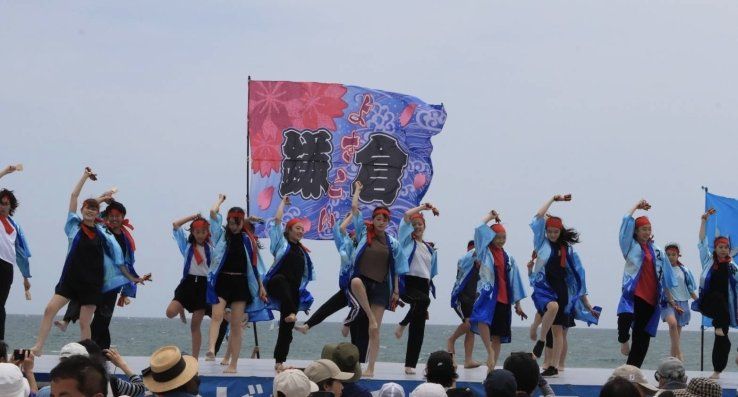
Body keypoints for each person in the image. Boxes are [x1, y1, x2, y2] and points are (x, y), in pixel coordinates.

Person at [31, 168, 124, 356]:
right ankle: (39, 347)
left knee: (84, 323)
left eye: (93, 209)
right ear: (81, 211)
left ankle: (87, 356)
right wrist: (85, 177)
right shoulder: (73, 226)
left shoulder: (102, 232)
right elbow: (74, 196)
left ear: (98, 214)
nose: (89, 210)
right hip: (71, 280)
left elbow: (117, 255)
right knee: (50, 309)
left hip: (92, 284)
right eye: (86, 208)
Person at [55, 200, 146, 350]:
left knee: (103, 319)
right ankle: (74, 329)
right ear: (106, 216)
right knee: (79, 299)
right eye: (111, 215)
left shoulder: (125, 240)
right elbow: (90, 213)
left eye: (118, 216)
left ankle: (96, 350)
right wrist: (105, 199)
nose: (114, 219)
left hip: (112, 285)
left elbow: (128, 263)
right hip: (95, 279)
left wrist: (128, 289)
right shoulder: (101, 229)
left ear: (123, 217)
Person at [529, 195, 598, 377]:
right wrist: (552, 198)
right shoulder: (541, 242)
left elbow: (577, 276)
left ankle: (553, 366)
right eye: (549, 231)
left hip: (561, 289)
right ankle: (541, 339)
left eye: (555, 232)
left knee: (558, 329)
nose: (552, 234)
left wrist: (587, 304)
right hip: (544, 287)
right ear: (546, 231)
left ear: (560, 232)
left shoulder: (566, 250)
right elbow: (537, 216)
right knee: (549, 308)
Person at [345, 181, 407, 377]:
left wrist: (396, 290)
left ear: (388, 222)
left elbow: (397, 268)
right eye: (378, 219)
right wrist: (358, 191)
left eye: (384, 219)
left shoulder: (393, 243)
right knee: (354, 282)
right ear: (373, 220)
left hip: (381, 285)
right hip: (362, 282)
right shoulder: (364, 232)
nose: (381, 222)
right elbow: (354, 209)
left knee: (375, 330)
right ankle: (366, 318)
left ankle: (370, 367)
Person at [206, 195, 269, 373]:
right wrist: (219, 200)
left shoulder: (248, 240)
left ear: (242, 222)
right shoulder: (221, 236)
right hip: (223, 281)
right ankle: (211, 348)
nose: (233, 226)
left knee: (236, 325)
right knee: (217, 315)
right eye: (231, 223)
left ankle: (233, 364)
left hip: (241, 283)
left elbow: (254, 266)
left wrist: (261, 286)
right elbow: (212, 213)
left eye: (237, 223)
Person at [617, 199, 678, 368]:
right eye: (643, 229)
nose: (646, 232)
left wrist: (671, 300)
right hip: (633, 293)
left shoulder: (657, 251)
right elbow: (624, 222)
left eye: (648, 229)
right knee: (625, 317)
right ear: (635, 231)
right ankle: (623, 340)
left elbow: (665, 276)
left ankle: (633, 370)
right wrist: (636, 206)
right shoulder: (629, 246)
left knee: (642, 337)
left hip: (651, 298)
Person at [470, 210, 527, 371]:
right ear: (490, 237)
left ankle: (491, 369)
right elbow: (479, 227)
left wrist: (518, 304)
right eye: (498, 237)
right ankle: (489, 352)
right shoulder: (484, 251)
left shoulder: (509, 257)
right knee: (481, 319)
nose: (501, 241)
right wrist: (491, 216)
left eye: (504, 238)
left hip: (503, 298)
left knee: (498, 334)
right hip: (487, 295)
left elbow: (515, 280)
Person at [264, 195, 314, 371]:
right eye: (297, 228)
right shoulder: (281, 243)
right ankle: (291, 310)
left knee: (287, 328)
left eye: (302, 229)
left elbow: (304, 277)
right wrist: (282, 204)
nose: (301, 231)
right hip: (276, 284)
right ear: (289, 230)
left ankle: (279, 362)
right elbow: (277, 221)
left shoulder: (302, 251)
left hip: (292, 292)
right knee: (280, 280)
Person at [394, 203, 440, 374]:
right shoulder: (405, 241)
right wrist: (422, 208)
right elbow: (407, 215)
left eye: (420, 224)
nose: (417, 227)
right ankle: (402, 324)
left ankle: (410, 365)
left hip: (423, 285)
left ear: (424, 226)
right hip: (408, 283)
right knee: (423, 301)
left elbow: (430, 272)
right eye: (414, 225)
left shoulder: (430, 248)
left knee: (419, 327)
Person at [295, 212, 356, 336]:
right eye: (351, 236)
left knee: (358, 307)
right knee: (328, 307)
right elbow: (338, 231)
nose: (352, 238)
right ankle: (307, 325)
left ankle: (347, 323)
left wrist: (353, 215)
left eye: (355, 237)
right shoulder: (344, 247)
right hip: (345, 287)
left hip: (357, 287)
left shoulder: (361, 250)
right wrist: (346, 217)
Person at [696, 208, 738, 379]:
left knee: (722, 340)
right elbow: (701, 242)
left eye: (726, 247)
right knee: (718, 297)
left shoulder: (732, 266)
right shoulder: (708, 260)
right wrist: (704, 221)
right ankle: (720, 327)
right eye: (720, 247)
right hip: (709, 302)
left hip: (724, 310)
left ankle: (717, 370)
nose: (723, 250)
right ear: (716, 248)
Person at [167, 213, 213, 359]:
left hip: (203, 286)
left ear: (207, 232)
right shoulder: (186, 246)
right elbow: (175, 224)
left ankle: (194, 359)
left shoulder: (212, 248)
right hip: (187, 284)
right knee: (170, 312)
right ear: (192, 232)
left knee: (195, 325)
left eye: (203, 232)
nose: (200, 235)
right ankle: (181, 308)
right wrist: (193, 216)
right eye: (197, 232)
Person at [0, 164, 32, 341]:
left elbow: (21, 254)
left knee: (0, 306)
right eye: (1, 203)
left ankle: (0, 343)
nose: (3, 206)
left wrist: (26, 277)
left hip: (7, 267)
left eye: (6, 204)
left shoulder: (14, 226)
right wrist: (5, 171)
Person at [447, 240, 482, 369]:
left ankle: (468, 360)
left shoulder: (481, 267)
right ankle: (451, 340)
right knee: (467, 324)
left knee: (471, 328)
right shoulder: (464, 262)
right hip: (462, 298)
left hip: (473, 298)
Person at [661, 243, 697, 362]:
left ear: (678, 255)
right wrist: (672, 302)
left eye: (673, 254)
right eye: (668, 255)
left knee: (676, 336)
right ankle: (679, 353)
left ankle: (673, 359)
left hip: (683, 302)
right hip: (668, 302)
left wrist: (699, 301)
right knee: (672, 323)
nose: (671, 257)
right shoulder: (662, 270)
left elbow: (690, 289)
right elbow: (663, 287)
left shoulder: (684, 270)